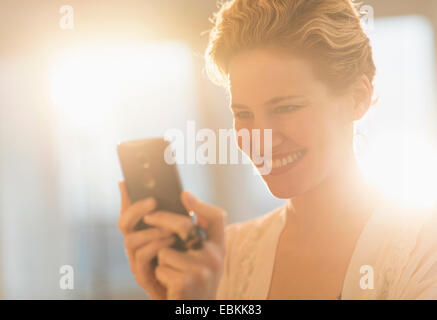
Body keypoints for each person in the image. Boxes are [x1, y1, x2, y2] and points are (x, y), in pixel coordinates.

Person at [118, 0, 437, 299]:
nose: (260, 139)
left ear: (357, 98)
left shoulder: (423, 250)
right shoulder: (226, 256)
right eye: (243, 114)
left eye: (286, 108)